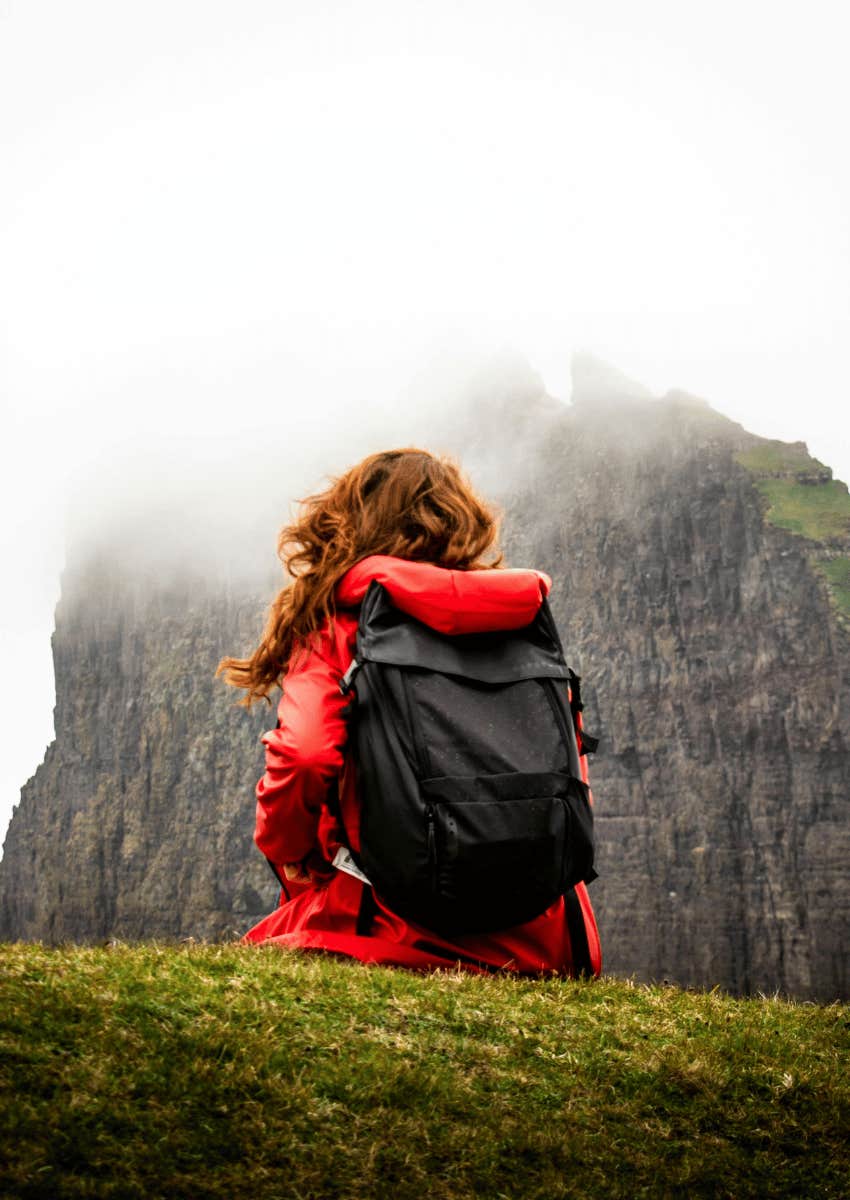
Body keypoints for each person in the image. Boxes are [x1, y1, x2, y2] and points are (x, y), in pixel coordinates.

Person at [217, 448, 601, 976]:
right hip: (541, 937)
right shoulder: (521, 624)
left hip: (393, 925)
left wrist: (288, 851)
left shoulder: (343, 626)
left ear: (349, 525)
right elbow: (570, 769)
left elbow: (304, 756)